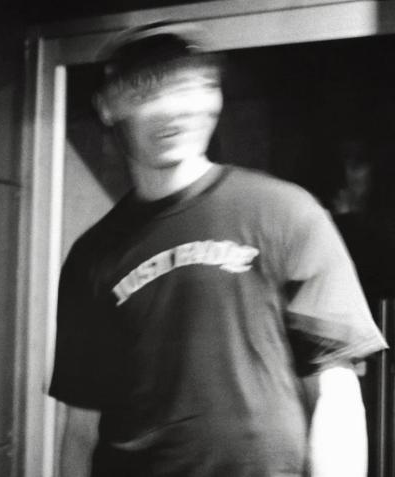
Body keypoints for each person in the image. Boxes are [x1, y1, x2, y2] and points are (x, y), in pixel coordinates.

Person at [49, 22, 387, 477]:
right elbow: (80, 426)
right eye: (147, 89)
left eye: (189, 85)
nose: (172, 108)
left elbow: (336, 391)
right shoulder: (91, 256)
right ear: (109, 106)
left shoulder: (285, 212)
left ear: (215, 97)